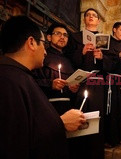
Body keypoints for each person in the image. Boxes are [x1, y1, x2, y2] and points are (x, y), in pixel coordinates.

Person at [0, 15, 85, 159]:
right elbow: (14, 140)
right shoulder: (9, 82)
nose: (45, 51)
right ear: (31, 43)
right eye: (43, 44)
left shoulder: (18, 75)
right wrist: (61, 123)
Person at [32, 23, 87, 159]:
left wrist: (73, 88)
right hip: (48, 108)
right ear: (49, 37)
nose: (62, 37)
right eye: (58, 34)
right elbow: (32, 82)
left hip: (68, 107)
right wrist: (51, 84)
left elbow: (70, 86)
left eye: (65, 35)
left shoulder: (69, 61)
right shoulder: (41, 57)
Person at [70, 8, 105, 159]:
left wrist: (102, 57)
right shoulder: (75, 37)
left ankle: (96, 151)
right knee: (80, 116)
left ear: (98, 20)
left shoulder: (105, 38)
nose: (91, 17)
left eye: (94, 15)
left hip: (97, 83)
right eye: (88, 15)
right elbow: (70, 59)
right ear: (84, 19)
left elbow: (112, 64)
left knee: (96, 117)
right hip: (81, 82)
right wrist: (82, 52)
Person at [102, 22, 121, 147]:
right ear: (114, 29)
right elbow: (105, 63)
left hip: (120, 81)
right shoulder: (107, 43)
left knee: (120, 109)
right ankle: (110, 139)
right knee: (112, 109)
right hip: (110, 82)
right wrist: (118, 56)